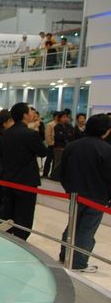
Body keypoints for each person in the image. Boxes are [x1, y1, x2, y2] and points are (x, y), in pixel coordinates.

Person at [58, 114, 111, 272]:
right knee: (87, 230)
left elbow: (61, 171)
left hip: (75, 195)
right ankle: (79, 262)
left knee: (73, 225)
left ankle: (65, 255)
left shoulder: (72, 146)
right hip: (97, 197)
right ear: (106, 130)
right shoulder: (106, 149)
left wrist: (69, 189)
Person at [0, 103, 48, 240]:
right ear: (25, 115)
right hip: (26, 180)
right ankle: (20, 240)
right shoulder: (31, 134)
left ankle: (5, 237)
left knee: (8, 210)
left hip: (8, 178)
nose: (33, 114)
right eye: (31, 111)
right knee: (24, 214)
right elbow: (43, 152)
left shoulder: (6, 133)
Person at [52, 111, 73, 176]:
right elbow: (59, 137)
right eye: (63, 117)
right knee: (58, 162)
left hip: (67, 147)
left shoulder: (69, 126)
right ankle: (55, 176)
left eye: (66, 117)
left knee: (66, 163)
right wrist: (67, 135)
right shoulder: (57, 126)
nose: (65, 118)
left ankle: (63, 176)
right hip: (59, 147)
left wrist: (65, 135)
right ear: (59, 118)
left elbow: (72, 136)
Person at [42, 112, 59, 178]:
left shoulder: (60, 124)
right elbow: (47, 135)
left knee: (56, 160)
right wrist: (51, 143)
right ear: (54, 117)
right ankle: (45, 174)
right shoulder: (50, 124)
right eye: (57, 116)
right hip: (52, 145)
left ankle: (53, 174)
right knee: (49, 160)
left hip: (58, 146)